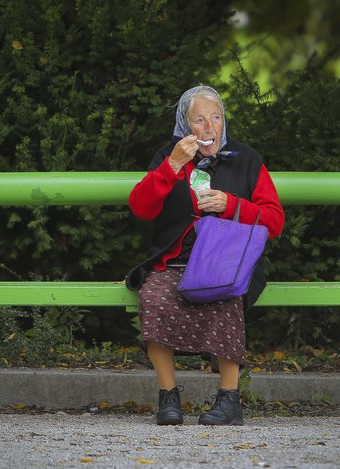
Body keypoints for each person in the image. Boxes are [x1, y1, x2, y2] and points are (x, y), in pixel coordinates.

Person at [125, 85, 284, 426]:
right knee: (152, 297)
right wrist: (172, 166)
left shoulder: (246, 160)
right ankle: (169, 398)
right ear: (185, 125)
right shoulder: (170, 156)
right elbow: (141, 207)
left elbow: (275, 220)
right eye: (199, 120)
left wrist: (233, 206)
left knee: (226, 299)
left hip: (226, 263)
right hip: (175, 261)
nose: (210, 127)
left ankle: (229, 400)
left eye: (216, 118)